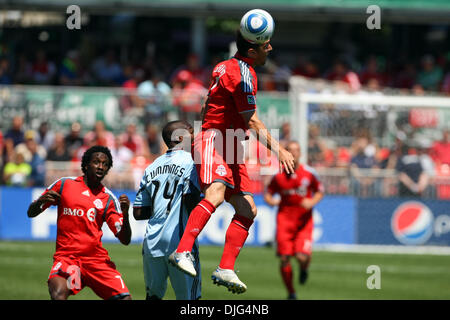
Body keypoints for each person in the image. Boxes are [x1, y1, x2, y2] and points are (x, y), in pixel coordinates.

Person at [168, 15, 295, 294]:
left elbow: (206, 103)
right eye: (265, 45)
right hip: (217, 139)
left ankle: (225, 268)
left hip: (229, 144)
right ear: (252, 51)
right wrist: (281, 150)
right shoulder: (243, 74)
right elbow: (252, 121)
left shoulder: (223, 66)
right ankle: (182, 251)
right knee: (214, 193)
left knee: (248, 208)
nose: (270, 49)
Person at [27, 145, 132, 300]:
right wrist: (39, 203)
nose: (101, 167)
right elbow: (31, 213)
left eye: (105, 164)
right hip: (68, 259)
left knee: (125, 299)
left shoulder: (108, 199)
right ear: (86, 164)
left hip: (96, 262)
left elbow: (125, 239)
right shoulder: (64, 185)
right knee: (58, 294)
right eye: (96, 162)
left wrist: (125, 214)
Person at [133, 120, 202, 300]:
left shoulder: (151, 166)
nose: (195, 135)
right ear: (180, 137)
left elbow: (139, 212)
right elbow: (189, 200)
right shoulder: (193, 161)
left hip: (152, 242)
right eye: (191, 132)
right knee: (190, 299)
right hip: (179, 242)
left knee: (153, 297)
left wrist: (162, 207)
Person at [264, 141, 324, 300]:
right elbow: (268, 194)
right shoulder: (278, 176)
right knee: (284, 258)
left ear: (301, 153)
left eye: (296, 150)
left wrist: (311, 202)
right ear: (286, 153)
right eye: (290, 150)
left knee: (301, 257)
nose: (294, 153)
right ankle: (291, 292)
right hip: (284, 221)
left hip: (304, 222)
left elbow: (319, 191)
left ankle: (304, 269)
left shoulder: (309, 173)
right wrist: (271, 201)